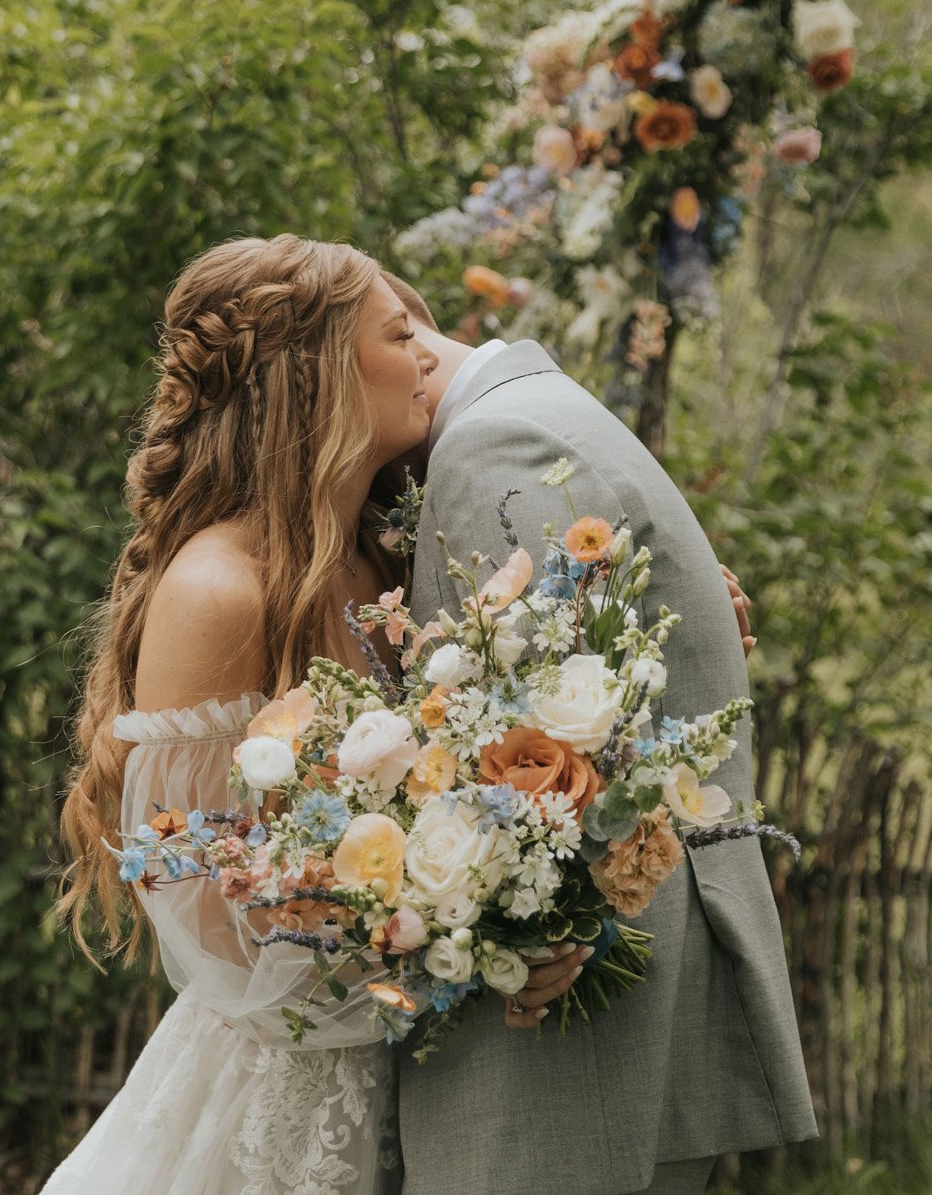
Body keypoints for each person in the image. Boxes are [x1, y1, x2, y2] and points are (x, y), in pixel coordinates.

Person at [382, 278, 818, 1195]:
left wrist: (517, 936)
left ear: (408, 342)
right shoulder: (539, 414)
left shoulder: (497, 444)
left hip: (569, 1031)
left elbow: (550, 757)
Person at [44, 234, 440, 1195]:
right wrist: (424, 945)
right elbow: (204, 908)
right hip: (287, 1087)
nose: (433, 348)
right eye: (400, 331)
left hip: (424, 1067)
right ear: (317, 377)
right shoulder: (221, 590)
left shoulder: (393, 555)